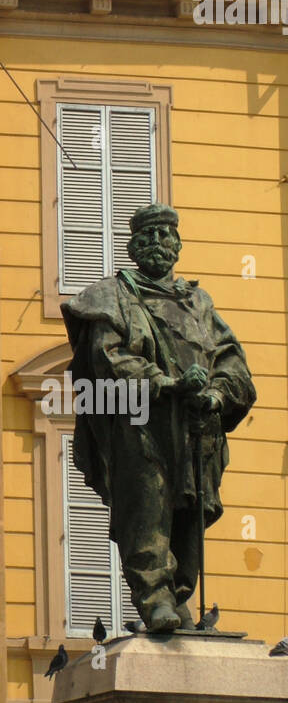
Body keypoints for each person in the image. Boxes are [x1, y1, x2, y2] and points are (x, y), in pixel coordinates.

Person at [61, 204, 255, 633]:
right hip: (141, 425)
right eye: (147, 238)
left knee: (189, 516)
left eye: (166, 237)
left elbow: (233, 363)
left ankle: (179, 595)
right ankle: (155, 599)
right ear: (132, 247)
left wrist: (217, 395)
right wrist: (167, 384)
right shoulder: (112, 296)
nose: (158, 245)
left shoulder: (199, 302)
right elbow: (106, 358)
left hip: (194, 431)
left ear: (178, 246)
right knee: (146, 511)